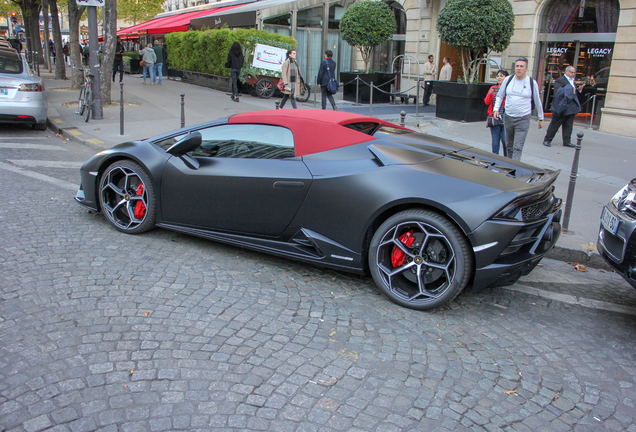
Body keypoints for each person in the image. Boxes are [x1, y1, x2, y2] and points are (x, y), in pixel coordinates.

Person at [493, 57, 544, 161]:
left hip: (523, 119)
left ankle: (514, 169)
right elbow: (500, 95)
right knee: (509, 145)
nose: (519, 68)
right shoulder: (508, 80)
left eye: (521, 66)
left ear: (526, 68)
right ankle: (509, 165)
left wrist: (541, 118)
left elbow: (537, 100)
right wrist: (496, 109)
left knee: (518, 147)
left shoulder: (531, 82)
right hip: (508, 118)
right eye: (517, 66)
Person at [543, 66, 581, 148]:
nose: (573, 74)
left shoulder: (572, 81)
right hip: (561, 106)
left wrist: (578, 90)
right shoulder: (560, 80)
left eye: (574, 72)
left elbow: (573, 93)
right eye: (571, 72)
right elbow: (558, 91)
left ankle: (567, 141)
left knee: (568, 125)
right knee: (555, 124)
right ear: (566, 72)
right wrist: (570, 90)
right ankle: (547, 139)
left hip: (571, 107)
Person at [484, 69, 509, 156]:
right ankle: (495, 157)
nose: (499, 78)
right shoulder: (493, 88)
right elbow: (487, 102)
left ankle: (507, 158)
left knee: (505, 140)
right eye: (498, 76)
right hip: (495, 118)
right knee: (495, 139)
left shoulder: (509, 88)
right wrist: (490, 94)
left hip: (506, 118)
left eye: (501, 76)